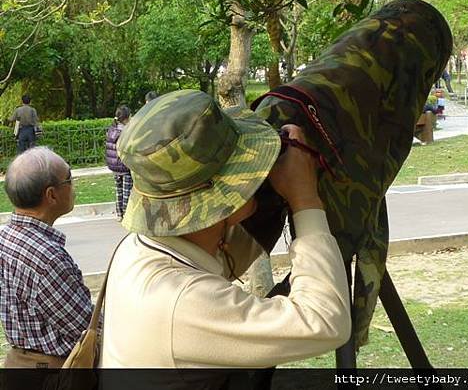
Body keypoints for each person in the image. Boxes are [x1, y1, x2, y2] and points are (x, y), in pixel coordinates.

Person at [100, 90, 351, 369]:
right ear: (221, 195)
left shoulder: (139, 248)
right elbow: (325, 322)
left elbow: (234, 248)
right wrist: (305, 199)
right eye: (247, 166)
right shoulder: (182, 301)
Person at [0, 147, 93, 368]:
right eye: (69, 179)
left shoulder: (4, 236)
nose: (73, 185)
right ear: (51, 195)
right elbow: (88, 328)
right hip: (52, 372)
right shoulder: (47, 259)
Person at [105, 105, 132, 222]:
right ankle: (126, 214)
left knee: (118, 190)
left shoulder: (111, 129)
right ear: (126, 118)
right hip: (124, 166)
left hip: (114, 166)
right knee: (127, 191)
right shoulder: (125, 132)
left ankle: (119, 213)